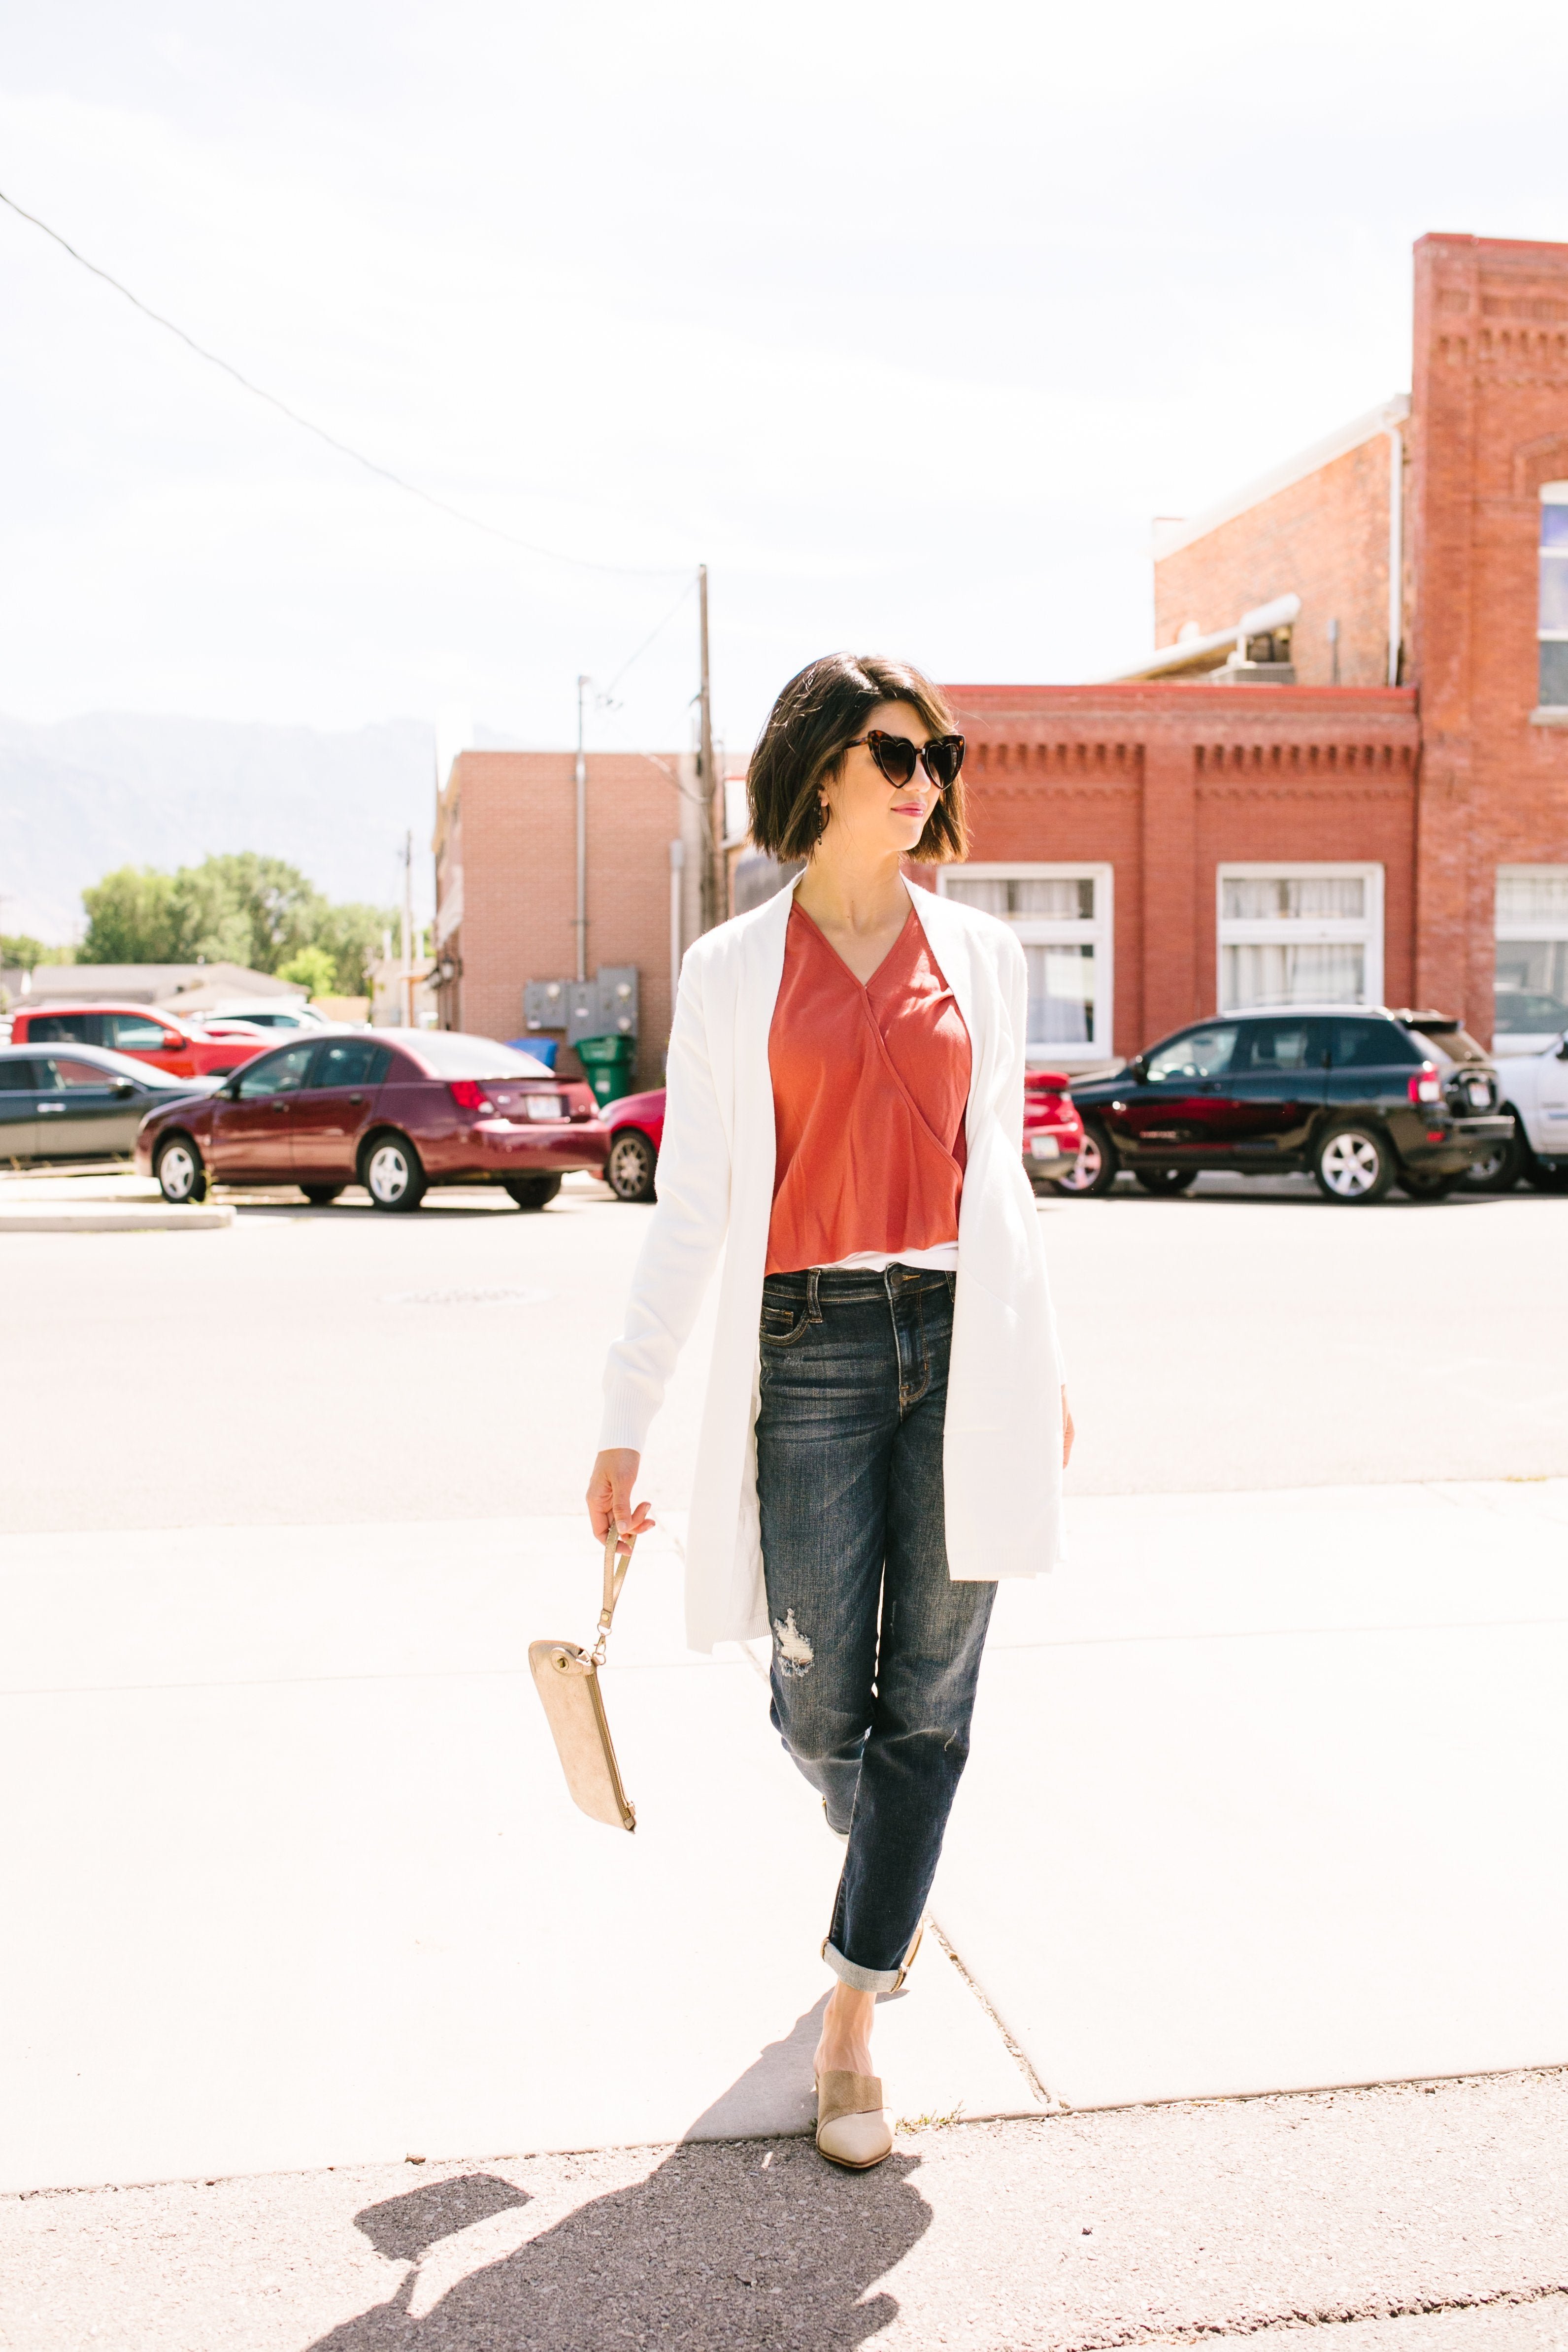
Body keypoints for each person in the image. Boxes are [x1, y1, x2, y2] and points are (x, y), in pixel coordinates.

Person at [586, 653, 1072, 2169]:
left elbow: (1004, 1183)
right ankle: (891, 1860)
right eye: (894, 753)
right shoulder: (734, 970)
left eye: (939, 756)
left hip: (963, 1340)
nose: (924, 780)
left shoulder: (982, 954)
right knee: (815, 1701)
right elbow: (689, 1209)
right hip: (806, 1349)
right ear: (819, 770)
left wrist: (1044, 1363)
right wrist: (623, 1417)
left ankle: (855, 2013)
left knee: (931, 1702)